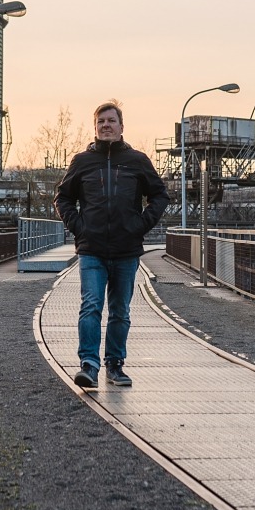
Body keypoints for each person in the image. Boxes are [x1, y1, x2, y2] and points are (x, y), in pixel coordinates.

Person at [53, 100, 169, 388]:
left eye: (111, 120)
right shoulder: (81, 161)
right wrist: (79, 228)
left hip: (126, 250)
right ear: (95, 127)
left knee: (120, 311)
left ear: (121, 126)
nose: (106, 125)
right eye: (101, 121)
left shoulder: (138, 160)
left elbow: (160, 196)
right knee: (91, 306)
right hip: (91, 249)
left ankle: (115, 365)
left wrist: (140, 226)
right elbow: (63, 198)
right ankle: (89, 365)